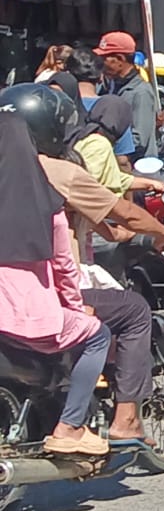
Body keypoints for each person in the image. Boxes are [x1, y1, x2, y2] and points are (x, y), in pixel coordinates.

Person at [3, 86, 164, 446]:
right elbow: (121, 214)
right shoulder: (53, 174)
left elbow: (106, 226)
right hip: (40, 295)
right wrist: (163, 232)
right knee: (133, 311)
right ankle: (124, 420)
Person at [0, 112, 113, 456]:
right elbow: (65, 269)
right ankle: (70, 427)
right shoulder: (45, 204)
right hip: (28, 317)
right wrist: (77, 308)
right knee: (97, 335)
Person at [66, 95, 160, 197]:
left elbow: (112, 177)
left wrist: (149, 183)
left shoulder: (87, 137)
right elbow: (88, 184)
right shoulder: (99, 144)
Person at [95, 31, 156, 159]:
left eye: (104, 59)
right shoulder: (110, 86)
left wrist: (103, 148)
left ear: (120, 59)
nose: (100, 64)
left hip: (136, 166)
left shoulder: (141, 92)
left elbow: (139, 140)